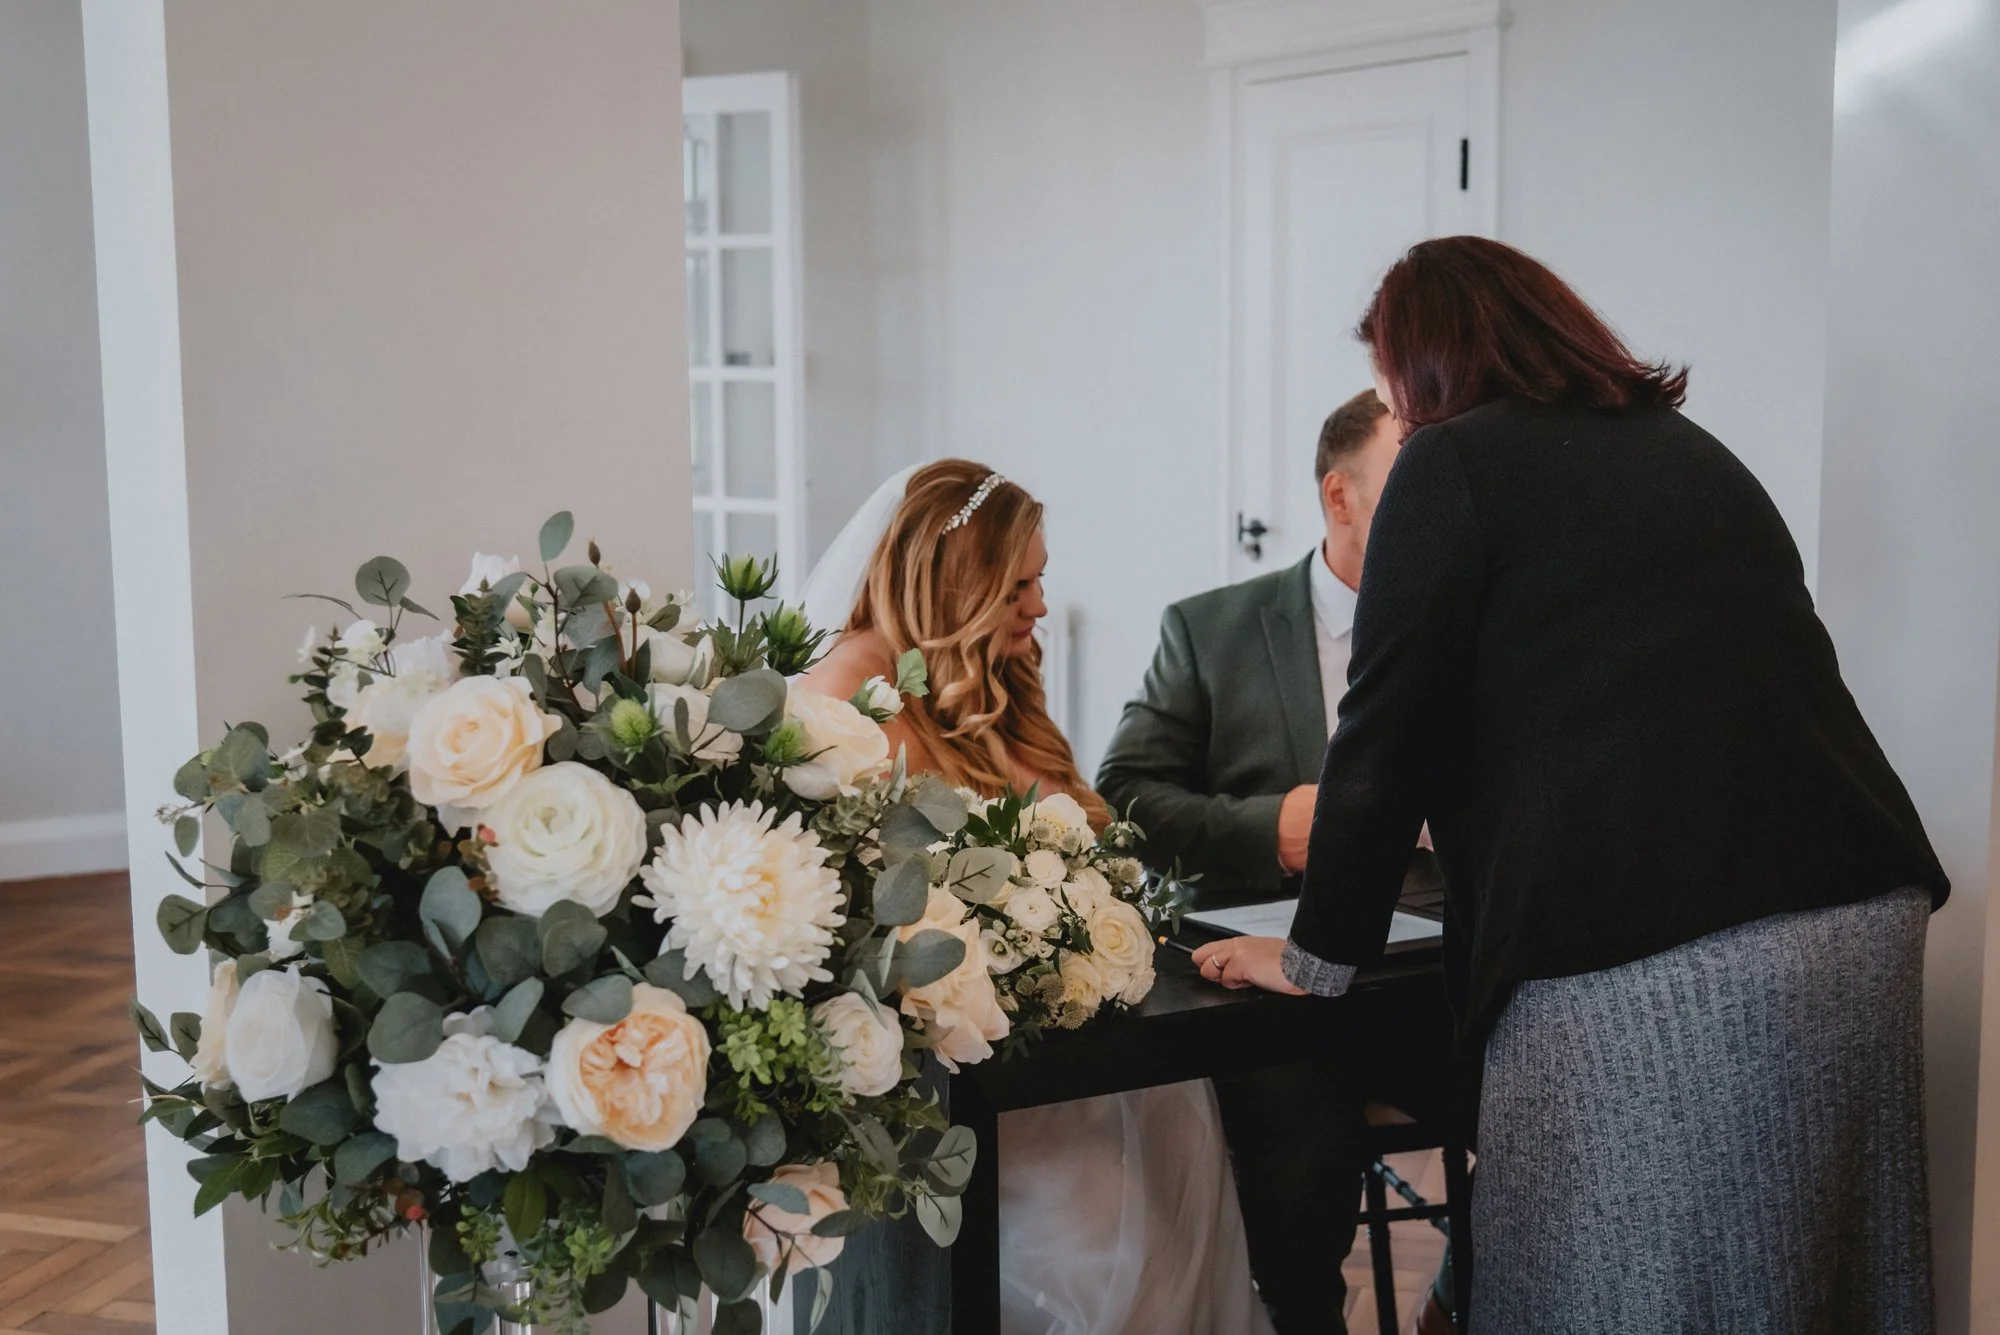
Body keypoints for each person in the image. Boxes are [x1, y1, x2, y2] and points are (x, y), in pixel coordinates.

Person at [1194, 236, 1947, 1334]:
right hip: (1853, 920)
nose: (1392, 413)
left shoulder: (1450, 466)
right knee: (1796, 1288)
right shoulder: (1686, 448)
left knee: (1601, 1282)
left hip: (1670, 950)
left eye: (1388, 385)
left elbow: (1380, 737)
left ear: (1429, 365)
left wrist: (1315, 960)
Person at [800, 459, 1276, 1335]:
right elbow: (846, 916)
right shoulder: (850, 693)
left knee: (1172, 1239)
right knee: (1101, 1254)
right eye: (1019, 583)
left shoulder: (991, 685)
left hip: (1095, 1064)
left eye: (1041, 579)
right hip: (966, 1088)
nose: (1041, 605)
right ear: (957, 584)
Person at [1098, 389, 1459, 1334]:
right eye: (1403, 495)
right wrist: (1271, 828)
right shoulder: (1209, 629)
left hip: (1430, 973)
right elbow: (1125, 792)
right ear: (1340, 499)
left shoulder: (1469, 626)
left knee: (1556, 1113)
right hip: (1276, 1000)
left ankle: (1463, 1301)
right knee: (1301, 1159)